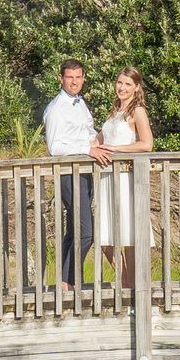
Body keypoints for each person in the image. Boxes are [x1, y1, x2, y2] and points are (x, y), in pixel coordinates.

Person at [42, 59, 112, 289]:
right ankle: (72, 282)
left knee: (74, 231)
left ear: (83, 78)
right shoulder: (56, 109)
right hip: (69, 174)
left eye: (78, 77)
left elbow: (88, 133)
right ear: (61, 78)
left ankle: (63, 283)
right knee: (86, 233)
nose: (74, 81)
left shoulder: (80, 104)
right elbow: (55, 147)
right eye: (70, 77)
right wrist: (87, 150)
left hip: (84, 173)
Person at [93, 68, 154, 289]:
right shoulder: (114, 112)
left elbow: (147, 144)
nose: (122, 88)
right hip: (106, 179)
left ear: (136, 87)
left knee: (129, 233)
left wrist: (116, 150)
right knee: (104, 235)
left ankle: (131, 284)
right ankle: (124, 276)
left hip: (126, 178)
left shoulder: (137, 111)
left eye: (128, 84)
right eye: (119, 82)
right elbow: (97, 141)